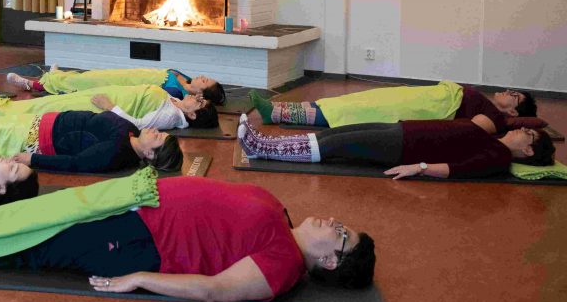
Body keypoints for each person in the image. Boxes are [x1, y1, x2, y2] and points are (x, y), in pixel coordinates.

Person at [0, 176, 376, 302]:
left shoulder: (284, 265)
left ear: (331, 262)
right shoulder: (280, 214)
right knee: (43, 211)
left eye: (340, 234)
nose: (333, 221)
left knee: (40, 246)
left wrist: (140, 278)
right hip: (136, 200)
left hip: (142, 244)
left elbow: (214, 289)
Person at [237, 114, 555, 179]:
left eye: (529, 134)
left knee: (336, 144)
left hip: (402, 147)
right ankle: (265, 142)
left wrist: (418, 168)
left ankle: (260, 150)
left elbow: (459, 169)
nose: (523, 129)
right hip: (402, 130)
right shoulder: (495, 137)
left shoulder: (498, 156)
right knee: (333, 134)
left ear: (528, 151)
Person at [0, 109, 185, 174]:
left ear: (150, 155)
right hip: (35, 121)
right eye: (161, 133)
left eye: (159, 138)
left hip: (31, 137)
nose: (156, 131)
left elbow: (75, 163)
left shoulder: (114, 153)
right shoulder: (131, 131)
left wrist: (32, 159)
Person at [251, 82, 537, 133]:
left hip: (424, 109)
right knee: (352, 101)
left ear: (514, 112)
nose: (507, 91)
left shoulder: (494, 118)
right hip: (423, 97)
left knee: (354, 112)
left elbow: (467, 132)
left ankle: (276, 113)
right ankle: (280, 107)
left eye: (514, 96)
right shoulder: (488, 105)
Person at [0, 84, 219, 130]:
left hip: (103, 106)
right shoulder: (175, 102)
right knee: (48, 102)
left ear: (192, 115)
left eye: (199, 101)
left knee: (47, 109)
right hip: (107, 95)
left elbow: (138, 125)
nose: (196, 96)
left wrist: (110, 106)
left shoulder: (171, 117)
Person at [6, 66, 226, 106]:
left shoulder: (176, 92)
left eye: (205, 81)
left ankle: (33, 84)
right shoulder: (185, 77)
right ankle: (56, 76)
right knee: (88, 76)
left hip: (123, 84)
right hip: (127, 73)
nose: (202, 76)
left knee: (84, 83)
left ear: (201, 93)